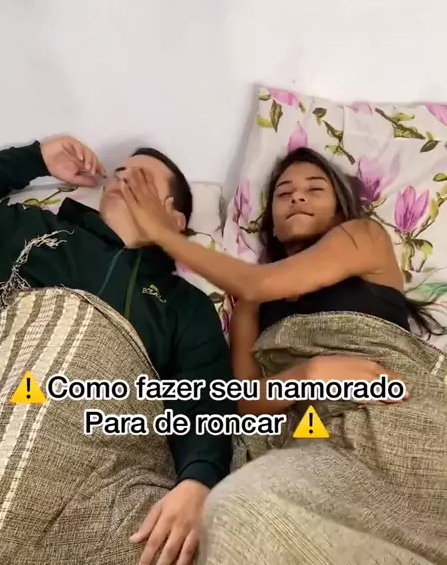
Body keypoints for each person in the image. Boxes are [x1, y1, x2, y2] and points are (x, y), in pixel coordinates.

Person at [0, 135, 235, 565]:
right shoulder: (34, 233)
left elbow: (205, 403)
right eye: (119, 174)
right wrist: (37, 157)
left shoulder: (185, 306)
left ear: (175, 220)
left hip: (99, 467)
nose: (122, 179)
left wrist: (197, 483)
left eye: (141, 179)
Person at [119, 147, 442, 413]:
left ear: (340, 212)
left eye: (315, 189)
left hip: (387, 406)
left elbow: (255, 282)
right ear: (272, 227)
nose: (297, 197)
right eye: (284, 193)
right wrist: (309, 376)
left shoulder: (364, 236)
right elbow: (244, 402)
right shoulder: (252, 304)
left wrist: (161, 232)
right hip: (303, 434)